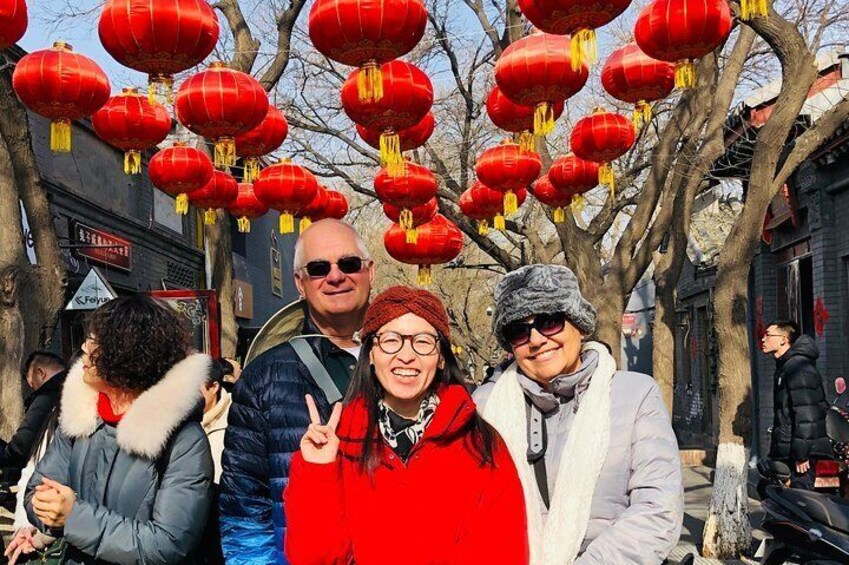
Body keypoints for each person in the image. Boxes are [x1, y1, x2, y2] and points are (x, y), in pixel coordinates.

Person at [283, 286, 529, 564]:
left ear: (440, 358)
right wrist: (319, 472)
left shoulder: (480, 443)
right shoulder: (341, 442)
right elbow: (314, 558)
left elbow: (504, 551)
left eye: (422, 341)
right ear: (371, 355)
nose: (406, 355)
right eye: (390, 340)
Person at [475, 264, 683, 564]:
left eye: (549, 322)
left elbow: (658, 509)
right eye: (519, 331)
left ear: (579, 324)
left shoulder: (634, 395)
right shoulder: (486, 408)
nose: (536, 340)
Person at [220, 219, 374, 564]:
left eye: (349, 264)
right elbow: (245, 509)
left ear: (370, 272)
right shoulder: (264, 377)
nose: (335, 277)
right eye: (318, 269)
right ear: (299, 284)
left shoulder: (408, 363)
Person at [16, 295, 214, 564]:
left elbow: (168, 543)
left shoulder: (183, 440)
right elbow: (35, 491)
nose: (84, 348)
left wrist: (74, 518)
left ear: (127, 355)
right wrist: (49, 509)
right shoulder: (81, 414)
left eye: (96, 342)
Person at [762, 319, 831, 490]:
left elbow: (807, 414)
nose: (763, 339)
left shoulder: (798, 367)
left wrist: (802, 454)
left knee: (802, 502)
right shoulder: (786, 366)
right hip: (789, 450)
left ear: (784, 339)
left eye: (768, 334)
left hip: (802, 455)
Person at [0, 351, 67, 475]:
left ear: (40, 373)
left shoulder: (47, 396)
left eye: (33, 385)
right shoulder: (75, 389)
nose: (34, 390)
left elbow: (19, 450)